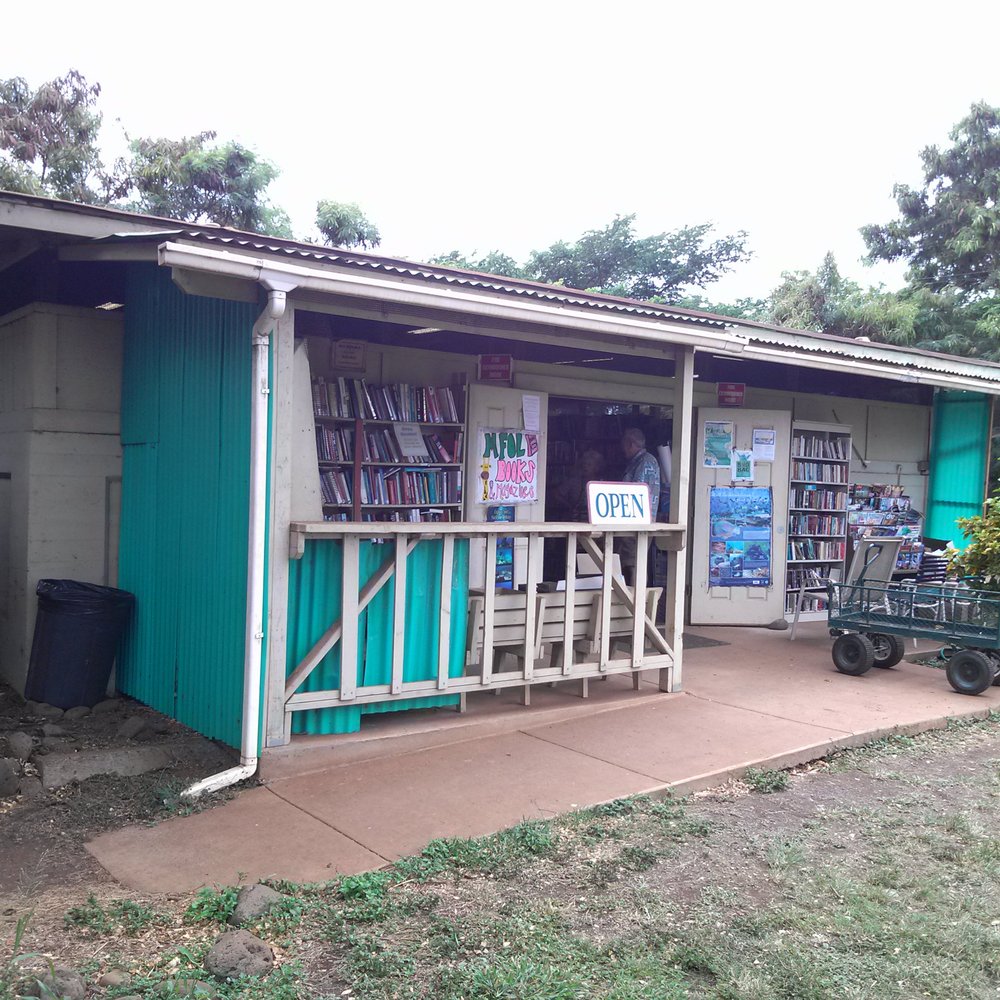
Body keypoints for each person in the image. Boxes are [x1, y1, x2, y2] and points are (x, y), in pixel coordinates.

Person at [618, 427, 661, 582]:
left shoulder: (645, 461)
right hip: (634, 521)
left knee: (633, 561)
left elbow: (637, 491)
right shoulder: (639, 461)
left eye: (623, 444)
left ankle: (635, 598)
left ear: (630, 443)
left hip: (638, 522)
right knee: (628, 559)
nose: (622, 449)